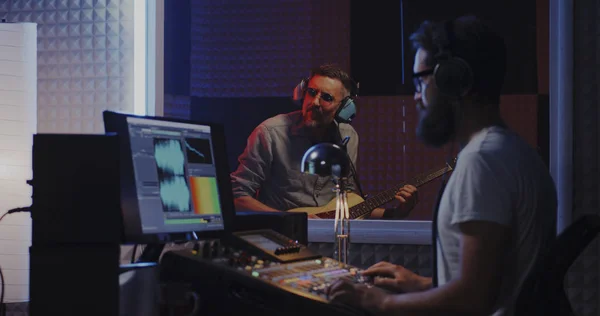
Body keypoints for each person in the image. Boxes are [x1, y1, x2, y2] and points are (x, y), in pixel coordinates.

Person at [327, 16, 558, 316]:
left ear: (453, 79)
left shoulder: (482, 162)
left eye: (420, 82)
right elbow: (494, 279)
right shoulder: (515, 152)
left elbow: (473, 300)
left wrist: (377, 301)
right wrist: (423, 284)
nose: (416, 97)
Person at [230, 64, 418, 219]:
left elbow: (347, 205)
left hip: (329, 240)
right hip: (283, 235)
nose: (315, 102)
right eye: (311, 92)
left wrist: (396, 213)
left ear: (344, 108)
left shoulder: (348, 136)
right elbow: (236, 196)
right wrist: (290, 220)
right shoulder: (269, 133)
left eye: (327, 97)